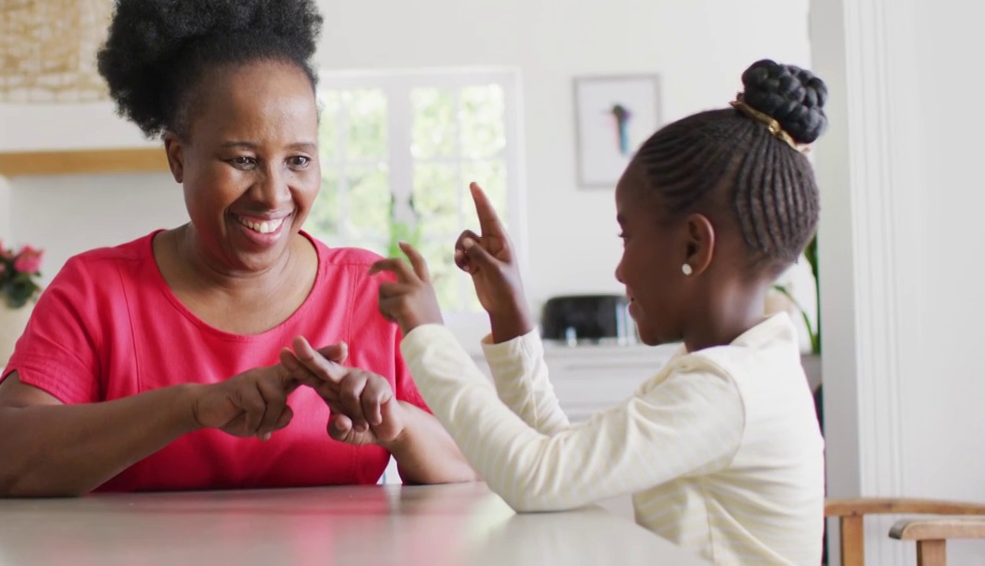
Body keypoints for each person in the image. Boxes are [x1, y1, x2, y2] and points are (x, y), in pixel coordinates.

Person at [0, 0, 474, 497]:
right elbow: (7, 460)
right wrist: (191, 407)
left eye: (298, 160)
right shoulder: (98, 291)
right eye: (242, 160)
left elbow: (474, 462)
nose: (272, 193)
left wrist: (396, 422)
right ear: (178, 157)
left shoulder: (373, 292)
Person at [296, 60, 827, 564]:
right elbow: (559, 456)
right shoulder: (740, 373)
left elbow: (537, 478)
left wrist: (427, 335)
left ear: (693, 247)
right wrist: (511, 318)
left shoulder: (725, 390)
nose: (620, 271)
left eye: (628, 237)